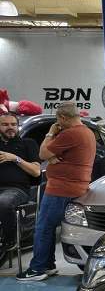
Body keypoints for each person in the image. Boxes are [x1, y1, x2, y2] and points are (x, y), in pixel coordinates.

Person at [17, 104, 96, 281]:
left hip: (61, 188)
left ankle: (38, 269)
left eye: (57, 120)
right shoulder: (87, 132)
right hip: (74, 186)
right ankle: (48, 264)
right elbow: (54, 155)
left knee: (43, 227)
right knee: (49, 227)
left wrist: (50, 133)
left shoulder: (70, 133)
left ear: (62, 118)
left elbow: (42, 153)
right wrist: (53, 156)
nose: (57, 123)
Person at [0, 112, 41, 254]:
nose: (10, 127)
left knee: (3, 202)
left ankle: (9, 240)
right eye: (5, 124)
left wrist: (15, 158)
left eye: (13, 124)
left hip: (16, 190)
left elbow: (36, 171)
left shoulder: (28, 143)